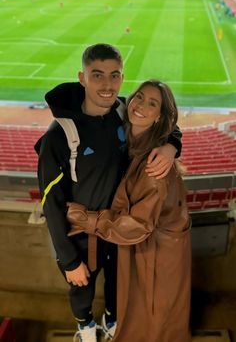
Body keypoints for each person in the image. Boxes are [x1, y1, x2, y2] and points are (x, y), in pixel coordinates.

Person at [35, 45, 182, 342]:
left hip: (119, 229)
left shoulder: (122, 110)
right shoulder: (58, 135)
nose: (107, 85)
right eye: (97, 75)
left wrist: (171, 146)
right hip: (80, 235)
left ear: (122, 78)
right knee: (81, 288)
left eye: (114, 76)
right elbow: (51, 204)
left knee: (118, 284)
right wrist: (68, 261)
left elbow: (165, 124)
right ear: (82, 77)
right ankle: (86, 326)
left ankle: (111, 321)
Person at [67, 79, 191, 342]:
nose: (141, 106)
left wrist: (86, 219)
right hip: (133, 241)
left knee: (150, 312)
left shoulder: (153, 168)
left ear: (160, 117)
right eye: (139, 97)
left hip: (152, 247)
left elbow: (136, 226)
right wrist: (173, 144)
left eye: (152, 103)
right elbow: (72, 94)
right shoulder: (124, 121)